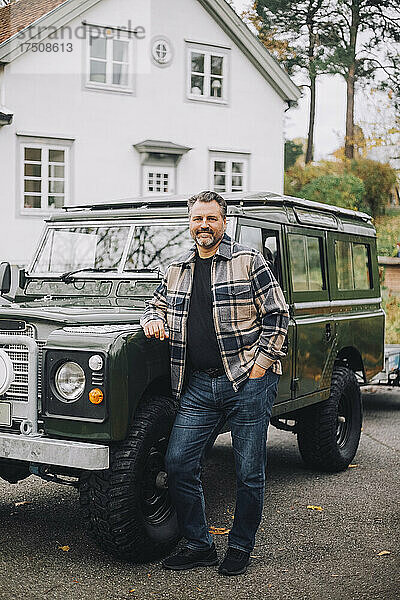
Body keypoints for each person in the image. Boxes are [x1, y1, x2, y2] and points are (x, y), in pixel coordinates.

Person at [140, 191, 289, 576]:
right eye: (197, 220)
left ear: (224, 221)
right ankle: (199, 544)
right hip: (199, 386)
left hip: (247, 382)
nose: (203, 226)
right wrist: (152, 320)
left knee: (248, 471)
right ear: (189, 224)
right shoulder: (178, 269)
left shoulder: (248, 261)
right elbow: (154, 304)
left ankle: (239, 547)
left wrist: (261, 366)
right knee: (177, 463)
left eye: (211, 219)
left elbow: (277, 314)